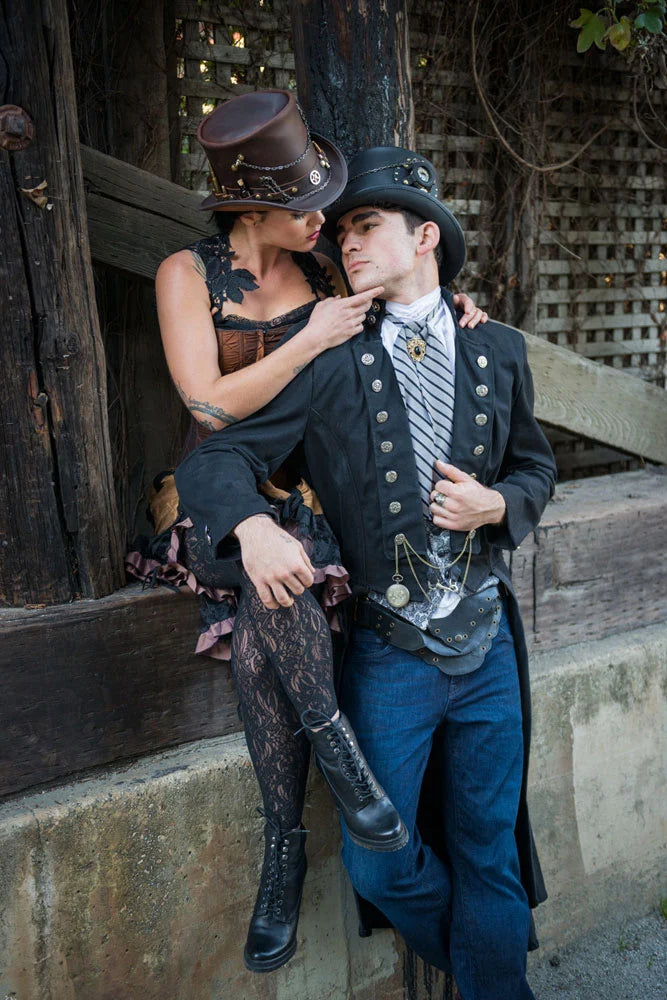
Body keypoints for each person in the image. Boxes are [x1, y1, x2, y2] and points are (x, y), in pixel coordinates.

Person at [174, 144, 557, 999]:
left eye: (366, 226)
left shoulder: (496, 350)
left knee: (488, 854)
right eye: (339, 231)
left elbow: (535, 469)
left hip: (488, 642)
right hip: (391, 655)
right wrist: (250, 527)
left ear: (425, 237)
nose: (345, 243)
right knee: (378, 866)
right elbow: (216, 460)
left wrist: (496, 506)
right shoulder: (331, 361)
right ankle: (495, 977)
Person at [125, 91, 487, 975]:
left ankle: (281, 853)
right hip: (218, 492)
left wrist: (456, 309)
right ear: (254, 207)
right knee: (265, 570)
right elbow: (207, 402)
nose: (326, 219)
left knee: (269, 609)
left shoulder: (327, 268)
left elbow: (401, 310)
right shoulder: (187, 273)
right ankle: (339, 758)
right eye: (307, 206)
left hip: (311, 501)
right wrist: (308, 338)